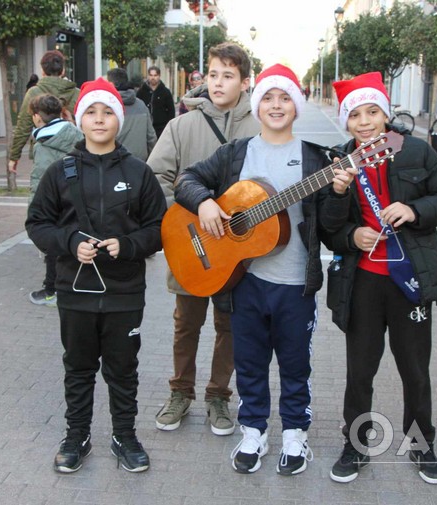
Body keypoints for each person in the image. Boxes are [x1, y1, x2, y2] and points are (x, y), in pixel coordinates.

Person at [173, 64, 354, 475]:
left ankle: (295, 433)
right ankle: (253, 430)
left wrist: (339, 193)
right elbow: (187, 179)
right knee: (250, 362)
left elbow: (328, 227)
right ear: (256, 106)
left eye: (285, 97)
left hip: (294, 285)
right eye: (268, 97)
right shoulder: (236, 153)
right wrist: (204, 202)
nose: (276, 105)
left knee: (295, 365)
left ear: (297, 106)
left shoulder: (316, 160)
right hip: (244, 282)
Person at [322, 72, 437, 485]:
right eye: (355, 115)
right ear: (346, 122)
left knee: (415, 371)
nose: (364, 122)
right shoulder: (340, 161)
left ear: (385, 114)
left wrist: (414, 211)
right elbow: (328, 227)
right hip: (362, 281)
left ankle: (422, 445)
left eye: (372, 112)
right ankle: (356, 445)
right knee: (359, 371)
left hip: (409, 279)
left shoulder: (415, 151)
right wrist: (350, 229)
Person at [25, 78, 166, 475]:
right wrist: (70, 242)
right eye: (91, 112)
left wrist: (132, 244)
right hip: (75, 289)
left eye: (107, 112)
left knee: (123, 369)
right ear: (79, 118)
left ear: (118, 119)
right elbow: (37, 223)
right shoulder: (59, 172)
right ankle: (77, 436)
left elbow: (159, 227)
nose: (100, 119)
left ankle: (124, 435)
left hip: (124, 292)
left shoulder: (139, 172)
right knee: (79, 368)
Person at [147, 42, 259, 437]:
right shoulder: (181, 126)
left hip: (236, 256)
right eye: (213, 74)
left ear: (244, 82)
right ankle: (180, 393)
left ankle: (218, 396)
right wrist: (180, 223)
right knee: (186, 325)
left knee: (229, 326)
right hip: (190, 247)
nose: (218, 82)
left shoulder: (259, 128)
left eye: (228, 75)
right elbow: (155, 179)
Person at [26, 94, 84, 307]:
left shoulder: (43, 143)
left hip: (54, 203)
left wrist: (34, 212)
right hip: (77, 199)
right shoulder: (77, 133)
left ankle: (52, 291)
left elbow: (39, 179)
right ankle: (66, 287)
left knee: (53, 247)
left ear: (37, 117)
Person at [8, 50, 80, 181]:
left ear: (42, 71)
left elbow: (23, 126)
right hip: (72, 152)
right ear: (63, 70)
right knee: (70, 189)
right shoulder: (77, 94)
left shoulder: (33, 93)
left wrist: (14, 156)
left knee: (45, 191)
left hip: (43, 152)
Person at [106, 68, 156, 161]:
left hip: (115, 163)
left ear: (111, 85)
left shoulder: (108, 107)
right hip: (140, 163)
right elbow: (151, 137)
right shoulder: (141, 105)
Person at [136, 66, 175, 139]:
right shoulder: (141, 92)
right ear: (148, 76)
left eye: (155, 75)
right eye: (151, 75)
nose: (153, 78)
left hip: (161, 129)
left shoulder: (165, 92)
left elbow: (171, 111)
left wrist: (168, 127)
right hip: (145, 128)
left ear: (159, 76)